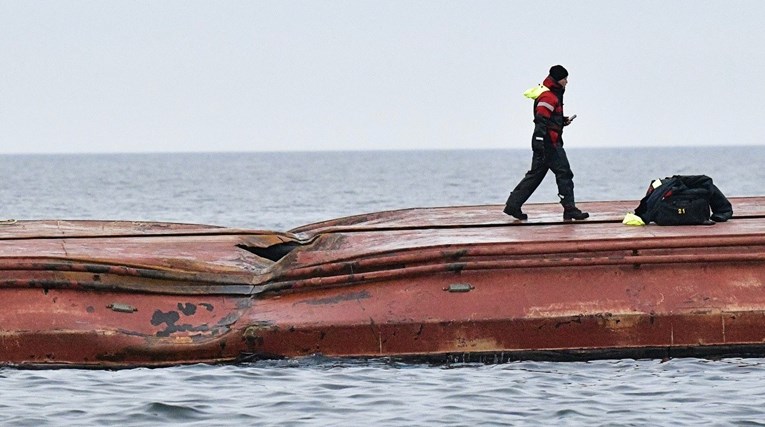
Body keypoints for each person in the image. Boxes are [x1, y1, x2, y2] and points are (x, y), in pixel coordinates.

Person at [503, 65, 589, 221]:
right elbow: (541, 119)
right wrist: (540, 141)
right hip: (550, 143)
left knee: (535, 175)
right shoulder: (549, 96)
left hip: (545, 142)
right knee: (564, 173)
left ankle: (513, 205)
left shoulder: (552, 94)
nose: (567, 82)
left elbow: (548, 118)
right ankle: (569, 208)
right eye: (565, 79)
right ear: (558, 79)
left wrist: (562, 121)